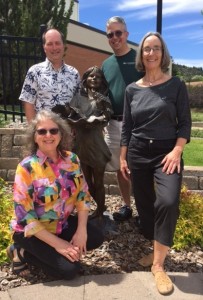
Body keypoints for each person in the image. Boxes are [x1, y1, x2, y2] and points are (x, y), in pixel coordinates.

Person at [120, 32, 191, 295]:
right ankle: (156, 249)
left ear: (163, 53)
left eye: (156, 48)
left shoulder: (176, 85)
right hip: (138, 152)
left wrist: (177, 151)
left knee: (168, 201)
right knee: (145, 204)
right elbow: (127, 126)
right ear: (141, 55)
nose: (151, 53)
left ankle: (158, 266)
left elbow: (184, 122)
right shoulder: (132, 89)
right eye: (147, 49)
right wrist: (122, 156)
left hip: (166, 153)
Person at [6, 110, 104, 279]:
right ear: (34, 137)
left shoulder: (72, 160)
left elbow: (82, 195)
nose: (48, 135)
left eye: (53, 130)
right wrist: (59, 245)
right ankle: (20, 252)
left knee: (95, 237)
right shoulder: (26, 168)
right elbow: (25, 217)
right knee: (69, 271)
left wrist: (81, 231)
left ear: (61, 133)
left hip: (61, 224)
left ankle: (55, 254)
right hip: (32, 232)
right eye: (42, 131)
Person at [52, 66, 113, 218]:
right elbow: (71, 113)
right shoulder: (78, 97)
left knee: (98, 182)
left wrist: (96, 119)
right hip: (80, 144)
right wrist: (65, 112)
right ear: (86, 79)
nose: (94, 79)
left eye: (97, 77)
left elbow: (107, 116)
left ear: (101, 81)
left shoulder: (102, 98)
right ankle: (100, 206)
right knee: (86, 181)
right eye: (91, 76)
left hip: (96, 143)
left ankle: (100, 211)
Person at [101, 16, 143, 222]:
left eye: (118, 33)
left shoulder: (139, 60)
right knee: (121, 168)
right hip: (113, 124)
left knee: (140, 169)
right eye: (110, 34)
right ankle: (127, 206)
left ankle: (145, 210)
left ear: (126, 34)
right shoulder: (106, 65)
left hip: (137, 124)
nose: (115, 37)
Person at [19, 28, 80, 122]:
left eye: (57, 43)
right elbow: (28, 102)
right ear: (44, 47)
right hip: (45, 133)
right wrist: (34, 131)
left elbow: (78, 104)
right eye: (50, 44)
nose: (54, 48)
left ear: (63, 45)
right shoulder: (34, 71)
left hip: (69, 133)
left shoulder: (74, 73)